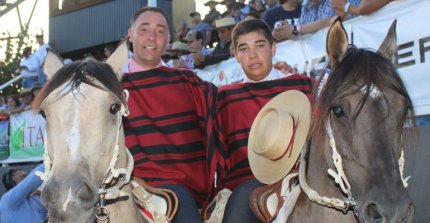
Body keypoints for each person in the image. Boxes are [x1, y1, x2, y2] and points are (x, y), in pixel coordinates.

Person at [124, 6, 219, 223]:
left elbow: (227, 106)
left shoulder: (187, 82)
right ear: (130, 35)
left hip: (179, 188)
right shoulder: (111, 86)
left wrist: (275, 76)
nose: (152, 37)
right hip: (124, 184)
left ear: (168, 38)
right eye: (144, 29)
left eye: (160, 31)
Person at [215, 19, 314, 222]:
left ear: (273, 48)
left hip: (303, 178)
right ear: (235, 54)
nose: (252, 55)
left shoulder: (302, 86)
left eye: (260, 45)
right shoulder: (224, 98)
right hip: (246, 183)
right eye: (244, 48)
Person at [272, 0, 359, 41]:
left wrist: (295, 28)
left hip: (345, 50)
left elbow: (328, 22)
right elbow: (302, 31)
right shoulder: (306, 5)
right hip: (319, 61)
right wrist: (286, 32)